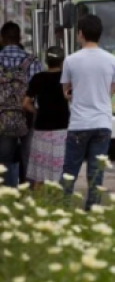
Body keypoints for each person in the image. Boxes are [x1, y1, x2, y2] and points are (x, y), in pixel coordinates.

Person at [60, 14, 115, 210]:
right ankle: (92, 211)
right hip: (103, 123)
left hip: (79, 124)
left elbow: (66, 92)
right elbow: (111, 90)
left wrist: (76, 93)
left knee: (70, 170)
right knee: (96, 173)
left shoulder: (70, 60)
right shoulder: (112, 60)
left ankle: (63, 208)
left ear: (81, 34)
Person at [0, 22, 42, 187]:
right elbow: (39, 94)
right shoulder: (32, 62)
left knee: (4, 161)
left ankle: (8, 198)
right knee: (29, 160)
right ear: (19, 39)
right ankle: (30, 200)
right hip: (28, 117)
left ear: (2, 38)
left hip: (3, 119)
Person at [22, 46, 69, 189]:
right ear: (62, 61)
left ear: (46, 61)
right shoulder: (66, 79)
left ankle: (38, 204)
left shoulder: (38, 78)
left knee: (40, 171)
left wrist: (37, 111)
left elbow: (25, 103)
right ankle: (56, 204)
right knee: (58, 170)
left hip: (41, 128)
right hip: (61, 129)